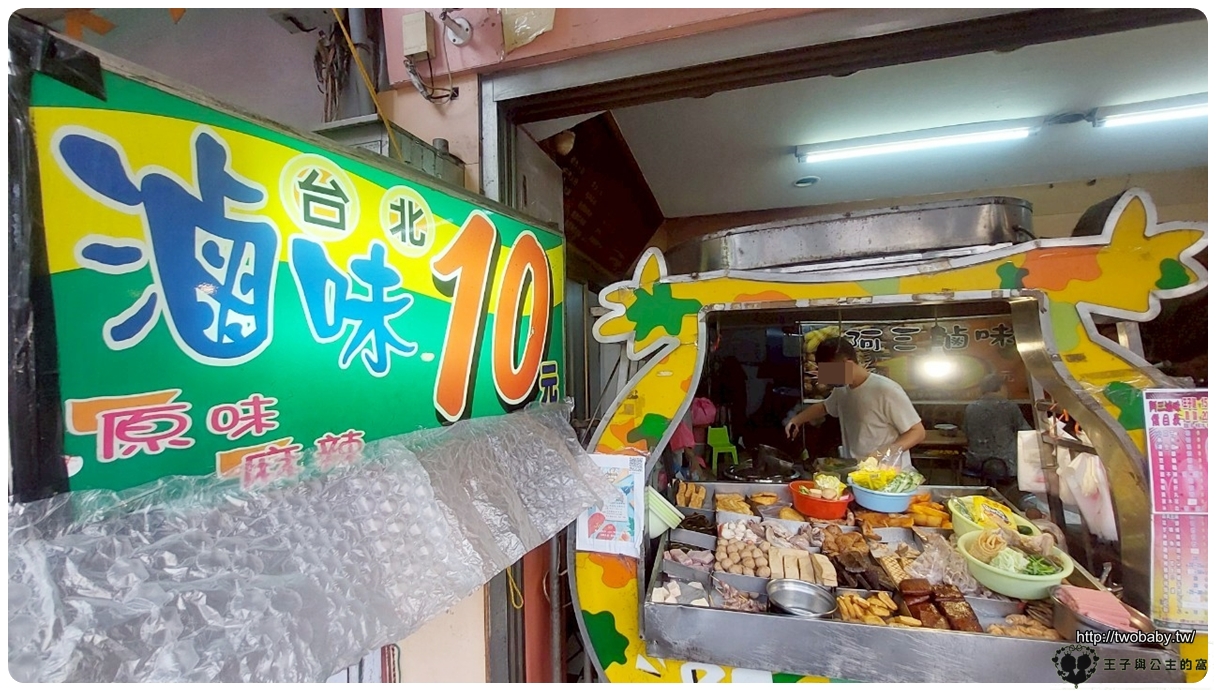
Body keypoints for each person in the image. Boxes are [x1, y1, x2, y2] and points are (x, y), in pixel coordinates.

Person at [784, 337, 925, 470]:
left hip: (891, 473)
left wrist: (884, 453)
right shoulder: (842, 389)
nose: (828, 377)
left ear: (848, 363)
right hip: (857, 471)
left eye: (830, 371)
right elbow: (825, 407)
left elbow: (917, 432)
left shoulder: (886, 390)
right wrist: (797, 420)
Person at [963, 373, 1032, 498]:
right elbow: (1025, 432)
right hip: (1007, 463)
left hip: (977, 462)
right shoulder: (1010, 406)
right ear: (1001, 387)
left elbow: (966, 432)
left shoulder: (971, 407)